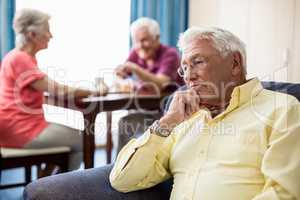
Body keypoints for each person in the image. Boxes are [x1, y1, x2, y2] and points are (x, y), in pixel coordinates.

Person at [110, 27, 300, 199]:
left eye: (197, 62)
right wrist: (166, 122)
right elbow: (122, 180)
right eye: (184, 67)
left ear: (235, 63)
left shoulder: (283, 109)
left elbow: (283, 194)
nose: (188, 76)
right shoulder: (183, 120)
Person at [0, 9, 104, 172]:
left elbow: (45, 87)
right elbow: (58, 90)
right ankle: (52, 190)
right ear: (32, 35)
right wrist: (94, 91)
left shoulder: (15, 56)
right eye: (47, 30)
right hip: (20, 130)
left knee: (75, 137)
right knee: (83, 140)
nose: (51, 35)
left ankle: (45, 184)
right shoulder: (21, 59)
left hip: (13, 126)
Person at [115, 17, 183, 153]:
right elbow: (119, 75)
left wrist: (135, 69)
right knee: (125, 122)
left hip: (167, 113)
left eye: (144, 40)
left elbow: (161, 84)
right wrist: (124, 82)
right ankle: (122, 167)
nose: (140, 45)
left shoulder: (170, 54)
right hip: (144, 108)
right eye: (136, 41)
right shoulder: (136, 52)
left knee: (127, 123)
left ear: (157, 38)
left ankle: (131, 164)